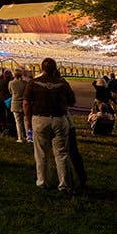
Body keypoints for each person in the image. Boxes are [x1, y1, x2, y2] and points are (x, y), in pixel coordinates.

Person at [22, 57, 75, 193]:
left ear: (42, 68)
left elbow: (26, 103)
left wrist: (28, 120)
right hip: (59, 119)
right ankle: (64, 184)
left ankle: (42, 181)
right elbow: (72, 101)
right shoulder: (62, 83)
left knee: (41, 153)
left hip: (40, 119)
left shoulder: (34, 83)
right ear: (55, 69)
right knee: (61, 153)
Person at [8, 69, 29, 143]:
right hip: (23, 103)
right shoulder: (25, 83)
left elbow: (10, 92)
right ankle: (28, 137)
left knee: (18, 122)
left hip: (15, 103)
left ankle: (20, 137)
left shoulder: (11, 83)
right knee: (26, 121)